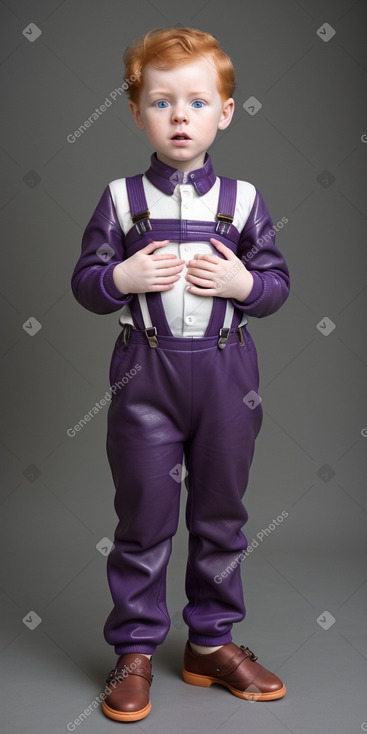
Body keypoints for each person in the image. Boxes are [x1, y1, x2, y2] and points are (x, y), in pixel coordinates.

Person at [71, 26, 290, 723]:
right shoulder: (121, 199)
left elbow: (278, 285)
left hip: (228, 377)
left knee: (222, 518)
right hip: (145, 377)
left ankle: (211, 644)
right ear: (136, 112)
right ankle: (134, 651)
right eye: (161, 102)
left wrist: (244, 285)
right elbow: (85, 283)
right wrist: (119, 275)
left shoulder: (246, 200)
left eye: (196, 102)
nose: (178, 116)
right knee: (142, 519)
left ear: (224, 111)